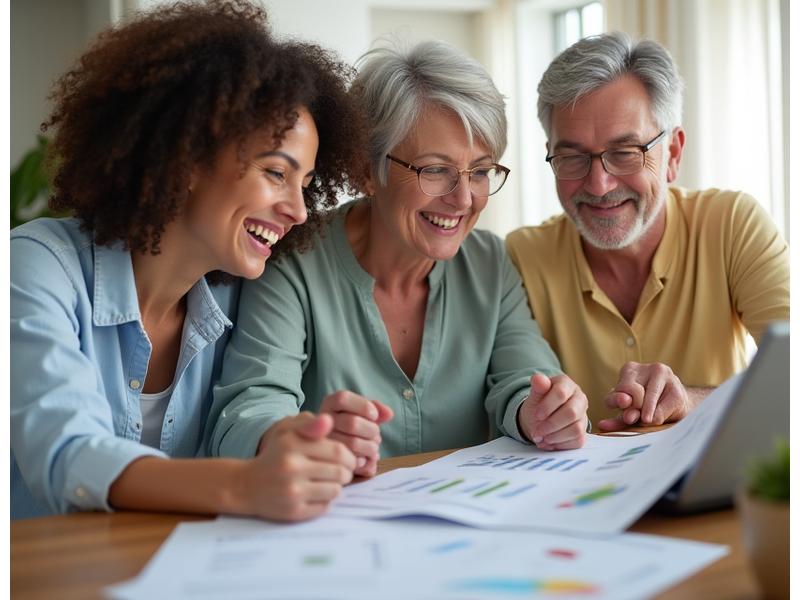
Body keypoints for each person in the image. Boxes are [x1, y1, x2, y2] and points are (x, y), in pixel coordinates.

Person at [10, 0, 368, 521]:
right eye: (275, 172)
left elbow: (236, 425)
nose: (296, 209)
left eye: (306, 184)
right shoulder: (35, 267)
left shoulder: (238, 293)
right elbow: (67, 455)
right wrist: (243, 485)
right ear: (188, 157)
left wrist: (287, 440)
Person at [208, 39, 590, 477]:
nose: (463, 198)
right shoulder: (294, 261)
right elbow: (248, 410)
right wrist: (289, 439)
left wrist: (542, 411)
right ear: (366, 172)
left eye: (481, 171)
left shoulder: (488, 262)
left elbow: (525, 378)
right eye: (435, 170)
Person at [506, 32, 789, 431]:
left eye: (625, 153)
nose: (599, 185)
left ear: (672, 153)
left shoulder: (732, 223)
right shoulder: (523, 256)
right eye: (571, 157)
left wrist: (692, 400)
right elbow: (511, 392)